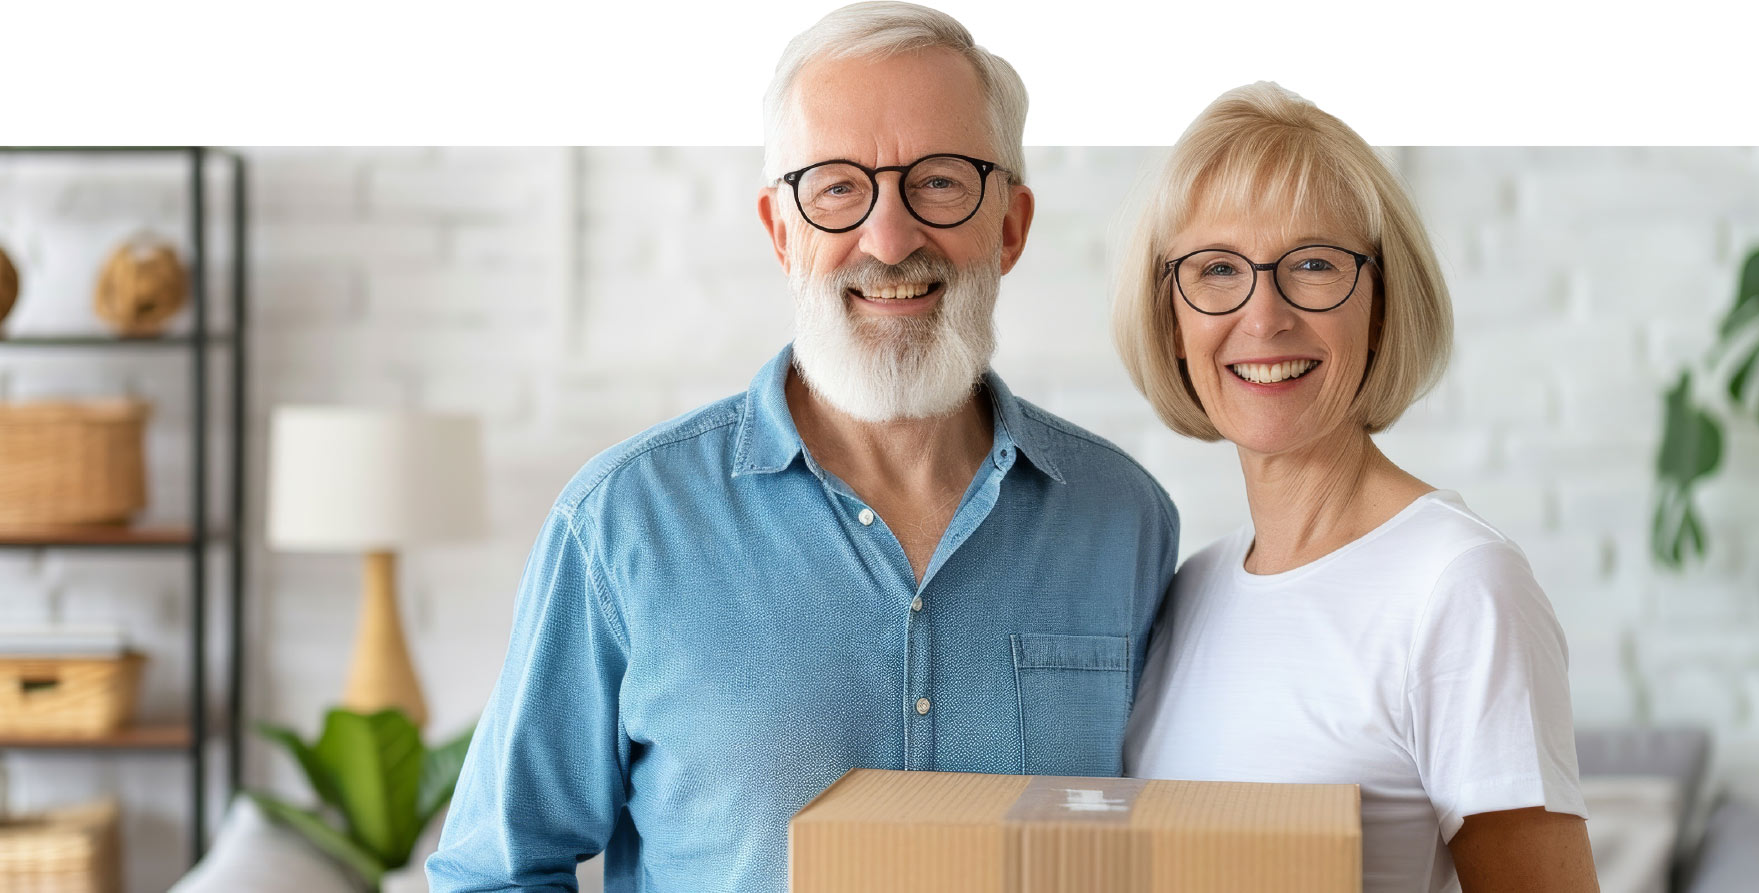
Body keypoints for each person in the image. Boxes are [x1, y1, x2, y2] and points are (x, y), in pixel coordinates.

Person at [425, 3, 1177, 891]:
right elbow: (494, 872)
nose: (890, 239)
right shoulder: (622, 526)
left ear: (1010, 227)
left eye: (940, 181)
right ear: (782, 231)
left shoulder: (1123, 518)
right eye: (836, 187)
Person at [1115, 83, 1598, 893]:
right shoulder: (1190, 589)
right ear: (1173, 321)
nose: (1262, 317)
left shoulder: (1459, 587)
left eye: (1312, 264)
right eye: (1217, 269)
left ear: (1380, 306)